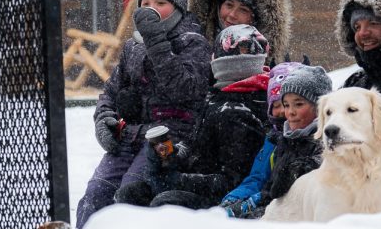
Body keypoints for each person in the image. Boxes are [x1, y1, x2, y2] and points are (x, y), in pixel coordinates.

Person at [76, 0, 211, 229]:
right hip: (129, 137)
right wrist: (104, 119)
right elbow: (111, 92)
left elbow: (184, 89)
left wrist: (156, 41)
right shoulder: (133, 47)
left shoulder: (193, 43)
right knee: (96, 194)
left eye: (161, 3)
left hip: (168, 139)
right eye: (145, 3)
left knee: (131, 193)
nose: (151, 8)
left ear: (178, 8)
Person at [116, 24, 270, 209]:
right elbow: (195, 148)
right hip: (200, 183)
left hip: (222, 201)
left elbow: (234, 180)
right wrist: (169, 154)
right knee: (131, 194)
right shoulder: (217, 96)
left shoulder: (240, 111)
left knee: (165, 204)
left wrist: (177, 181)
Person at [246, 64, 333, 216]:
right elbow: (270, 191)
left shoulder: (325, 143)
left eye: (299, 104)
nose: (290, 112)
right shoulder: (285, 140)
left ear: (320, 107)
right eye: (286, 105)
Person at [218, 60, 302, 217]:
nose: (284, 112)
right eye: (276, 106)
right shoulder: (274, 139)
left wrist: (255, 202)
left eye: (288, 104)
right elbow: (257, 178)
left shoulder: (308, 142)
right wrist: (233, 199)